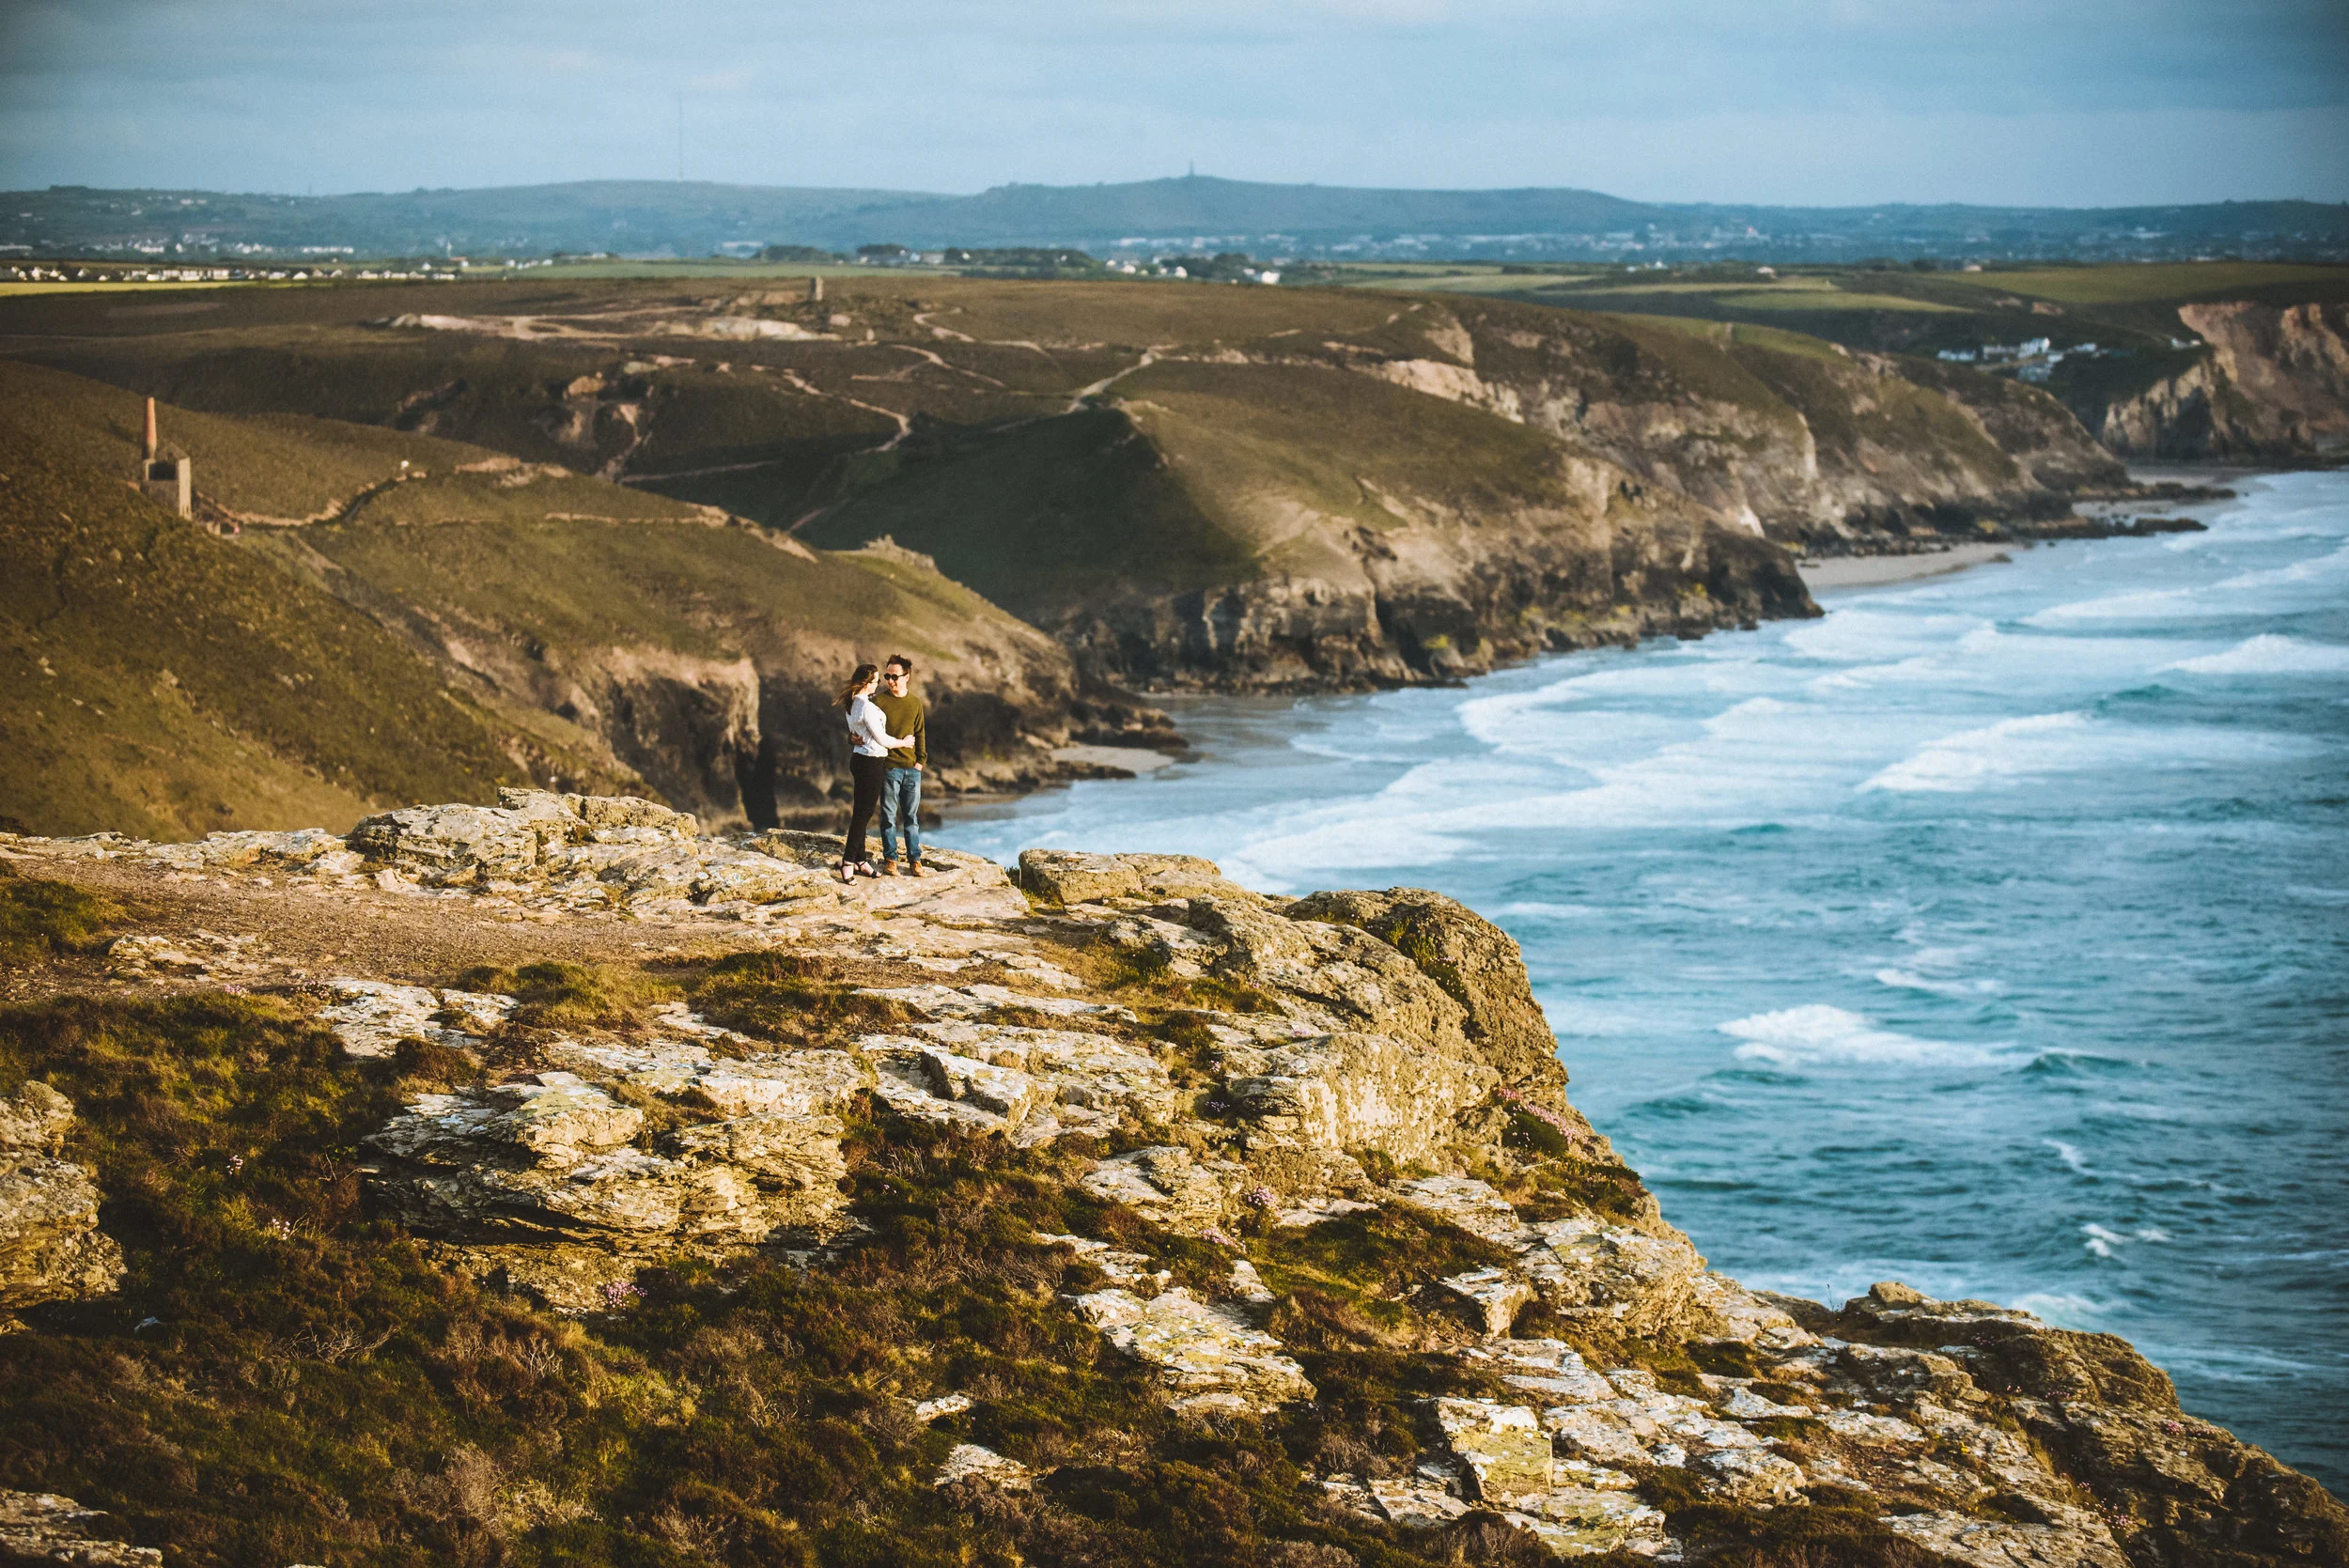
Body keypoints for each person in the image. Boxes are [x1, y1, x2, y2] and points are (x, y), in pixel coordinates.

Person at [837, 662, 913, 882]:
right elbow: (882, 739)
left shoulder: (852, 703)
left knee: (860, 810)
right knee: (863, 814)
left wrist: (853, 738)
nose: (878, 685)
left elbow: (855, 732)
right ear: (867, 683)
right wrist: (904, 742)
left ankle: (861, 861)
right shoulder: (866, 706)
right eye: (876, 681)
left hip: (859, 759)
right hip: (871, 763)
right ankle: (848, 861)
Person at [870, 653, 928, 877]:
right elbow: (860, 725)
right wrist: (852, 738)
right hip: (889, 768)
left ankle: (915, 860)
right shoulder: (879, 701)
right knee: (888, 816)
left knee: (911, 818)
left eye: (895, 676)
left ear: (907, 677)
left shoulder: (915, 702)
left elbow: (920, 732)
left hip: (912, 770)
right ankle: (890, 859)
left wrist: (920, 762)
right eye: (887, 676)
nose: (890, 681)